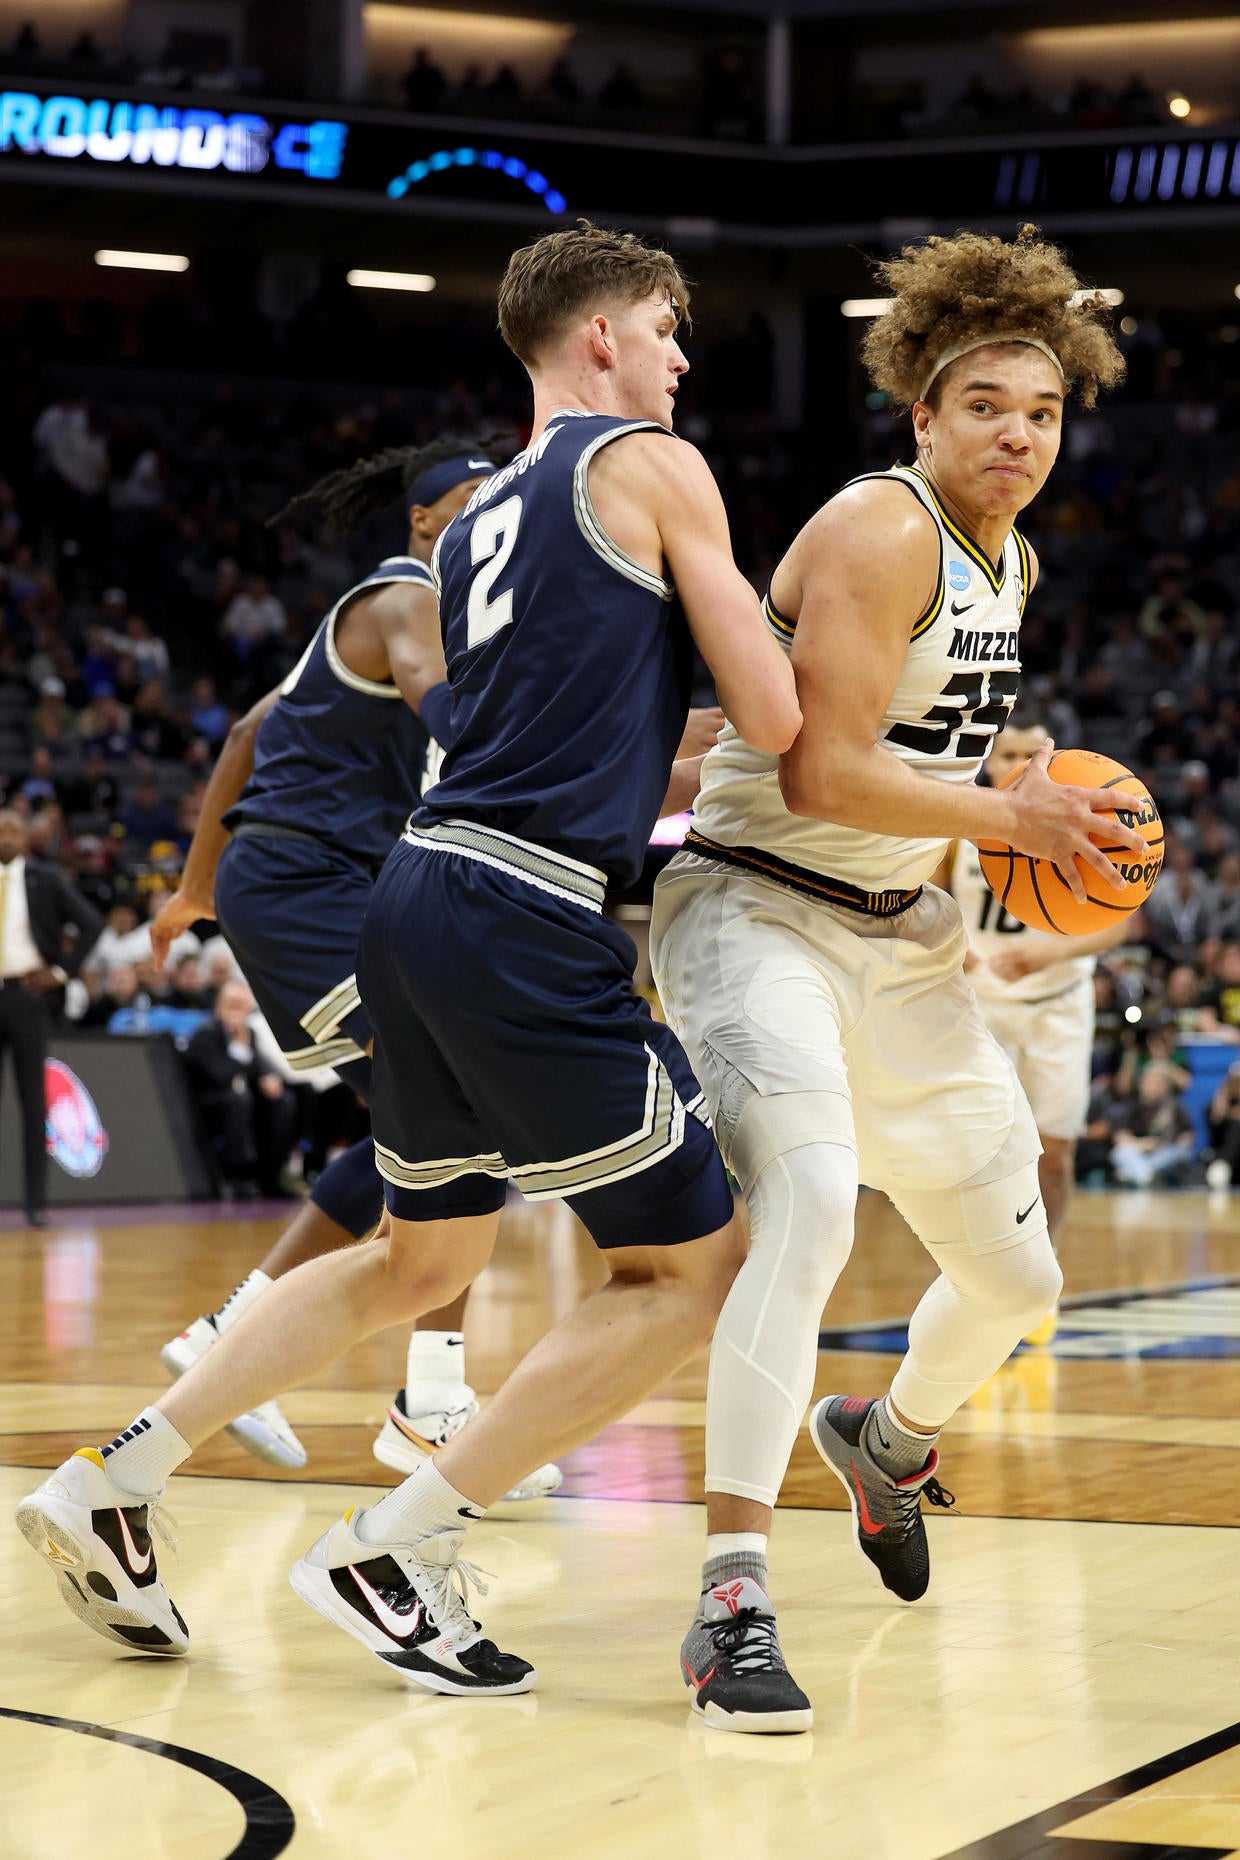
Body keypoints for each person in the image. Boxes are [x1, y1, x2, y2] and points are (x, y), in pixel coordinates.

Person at [18, 219, 800, 1694]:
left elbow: (578, 736)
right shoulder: (653, 465)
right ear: (600, 341)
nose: (686, 357)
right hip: (517, 910)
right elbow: (775, 712)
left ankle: (114, 1480)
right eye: (666, 326)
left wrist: (672, 758)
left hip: (416, 892)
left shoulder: (489, 510)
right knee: (691, 1268)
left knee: (420, 1249)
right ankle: (400, 1540)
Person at [650, 225, 1143, 1731]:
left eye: (1044, 410)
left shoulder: (1017, 554)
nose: (1018, 432)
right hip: (757, 907)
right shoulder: (882, 527)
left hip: (899, 936)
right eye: (986, 403)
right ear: (920, 414)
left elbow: (912, 759)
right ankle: (731, 1596)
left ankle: (882, 1439)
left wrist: (1047, 817)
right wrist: (1019, 819)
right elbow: (823, 767)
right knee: (799, 1205)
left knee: (1016, 1283)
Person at [145, 431, 563, 1495]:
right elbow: (441, 703)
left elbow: (244, 730)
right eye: (475, 505)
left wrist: (197, 886)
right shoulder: (408, 597)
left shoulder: (394, 617)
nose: (494, 526)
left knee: (429, 1129)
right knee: (460, 1115)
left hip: (314, 881)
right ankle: (423, 1405)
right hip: (305, 885)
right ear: (425, 521)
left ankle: (249, 1336)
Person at [936, 714, 1133, 1344]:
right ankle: (982, 1277)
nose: (1018, 761)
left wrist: (1050, 953)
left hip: (1057, 999)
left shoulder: (1077, 823)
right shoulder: (959, 823)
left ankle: (1040, 1278)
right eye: (1008, 752)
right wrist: (956, 948)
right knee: (981, 1147)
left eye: (1031, 751)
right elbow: (927, 893)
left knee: (1057, 1150)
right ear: (992, 762)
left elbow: (1121, 922)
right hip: (983, 998)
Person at [0, 809, 103, 1223]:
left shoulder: (45, 878)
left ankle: (36, 1204)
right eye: (0, 830)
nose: (6, 836)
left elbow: (91, 923)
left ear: (26, 838)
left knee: (32, 1101)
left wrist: (61, 972)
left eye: (13, 830)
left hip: (27, 994)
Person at [184, 981, 296, 1196]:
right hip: (209, 1101)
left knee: (284, 1100)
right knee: (238, 1100)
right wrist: (239, 1046)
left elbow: (258, 1066)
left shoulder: (249, 1033)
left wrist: (268, 1078)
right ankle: (240, 1176)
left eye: (241, 1006)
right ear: (219, 1006)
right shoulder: (206, 1034)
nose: (236, 1012)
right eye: (232, 1005)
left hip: (242, 1098)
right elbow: (221, 1075)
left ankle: (272, 1173)